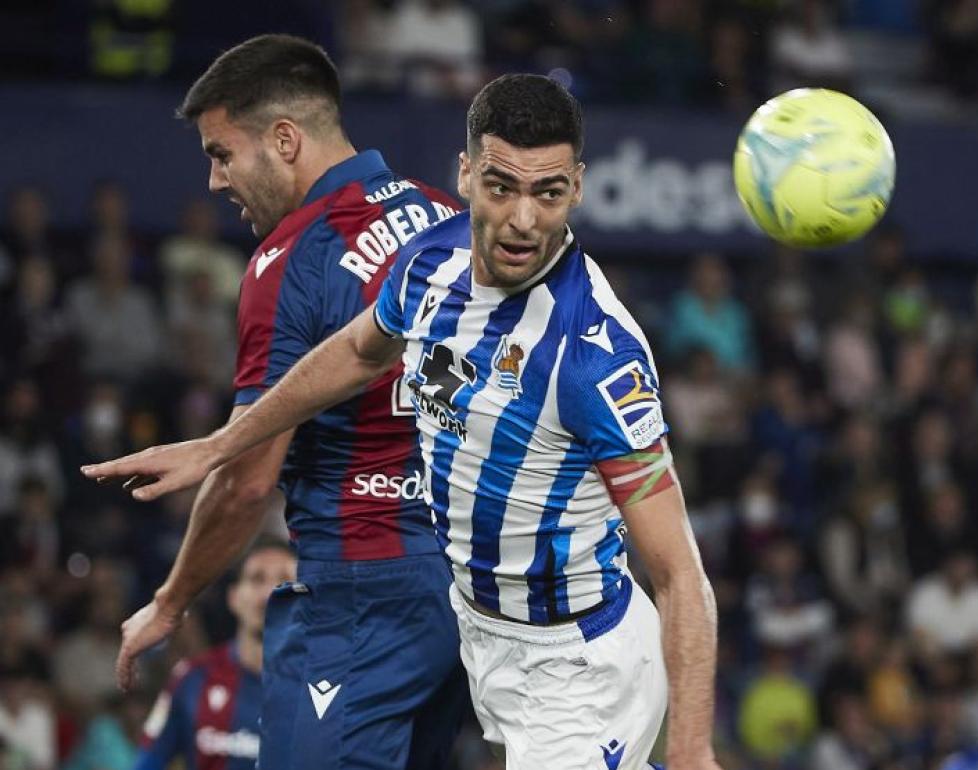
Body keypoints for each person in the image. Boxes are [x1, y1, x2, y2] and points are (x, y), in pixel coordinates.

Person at [84, 73, 720, 770]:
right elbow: (358, 351)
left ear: (579, 185)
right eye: (502, 187)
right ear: (466, 174)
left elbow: (680, 573)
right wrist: (221, 444)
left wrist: (691, 751)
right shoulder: (433, 259)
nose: (524, 220)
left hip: (574, 663)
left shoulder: (594, 356)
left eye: (550, 193)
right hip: (479, 636)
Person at [107, 34, 467, 770]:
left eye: (221, 153)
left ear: (284, 139)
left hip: (361, 592)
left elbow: (245, 480)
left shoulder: (290, 260)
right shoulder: (448, 218)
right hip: (464, 591)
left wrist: (171, 601)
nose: (214, 181)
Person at [135, 539, 295, 769]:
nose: (269, 593)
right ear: (234, 597)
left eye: (285, 580)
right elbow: (147, 763)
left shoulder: (330, 690)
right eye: (257, 578)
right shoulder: (191, 679)